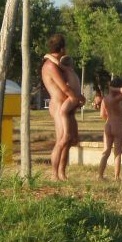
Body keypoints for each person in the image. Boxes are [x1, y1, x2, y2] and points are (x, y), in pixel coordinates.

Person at [41, 34, 85, 181]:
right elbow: (64, 88)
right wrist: (77, 98)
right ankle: (54, 175)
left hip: (68, 105)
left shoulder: (59, 64)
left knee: (70, 140)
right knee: (62, 139)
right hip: (60, 106)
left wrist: (78, 97)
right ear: (62, 48)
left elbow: (69, 85)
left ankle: (62, 173)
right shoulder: (50, 66)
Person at [97, 78, 122, 181]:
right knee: (117, 153)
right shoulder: (115, 99)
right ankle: (117, 177)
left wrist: (111, 88)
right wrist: (114, 89)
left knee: (106, 151)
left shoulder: (105, 99)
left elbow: (102, 115)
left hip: (108, 125)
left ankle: (100, 176)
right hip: (117, 126)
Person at [59, 55, 82, 146]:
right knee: (71, 115)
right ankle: (75, 136)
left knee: (63, 112)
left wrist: (48, 56)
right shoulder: (72, 72)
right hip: (77, 96)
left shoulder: (67, 70)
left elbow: (57, 63)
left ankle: (66, 134)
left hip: (73, 97)